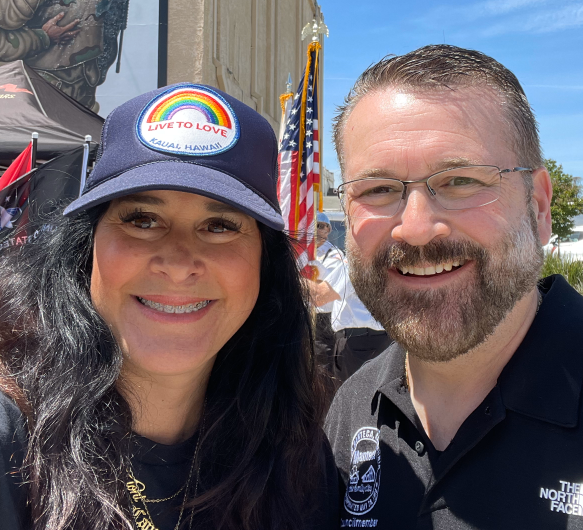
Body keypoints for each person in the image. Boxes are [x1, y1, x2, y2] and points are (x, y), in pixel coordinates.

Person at [0, 83, 338, 530]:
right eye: (142, 220)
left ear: (265, 265)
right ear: (85, 250)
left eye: (219, 225)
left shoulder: (298, 454)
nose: (178, 265)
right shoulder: (10, 441)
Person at [324, 45, 583, 529]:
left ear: (539, 206)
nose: (416, 229)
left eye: (460, 180)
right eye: (378, 189)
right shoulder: (352, 409)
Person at [312, 212, 344, 373]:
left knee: (322, 362)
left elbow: (326, 287)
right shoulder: (302, 251)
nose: (316, 230)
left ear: (328, 229)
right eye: (312, 226)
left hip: (323, 317)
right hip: (302, 313)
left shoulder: (334, 254)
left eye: (320, 226)